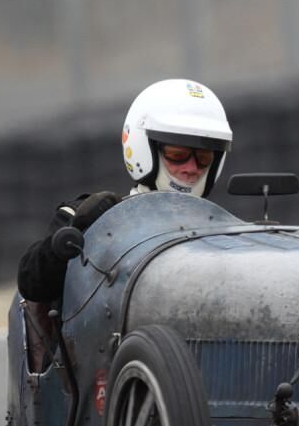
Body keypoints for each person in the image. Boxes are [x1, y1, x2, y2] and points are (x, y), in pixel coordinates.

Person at [16, 78, 233, 303]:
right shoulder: (88, 216)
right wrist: (80, 229)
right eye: (177, 156)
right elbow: (31, 285)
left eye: (204, 158)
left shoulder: (221, 230)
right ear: (144, 149)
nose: (191, 168)